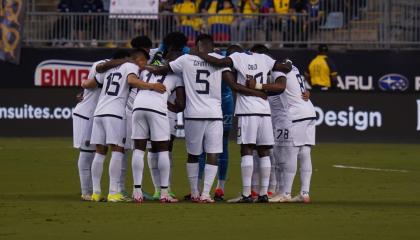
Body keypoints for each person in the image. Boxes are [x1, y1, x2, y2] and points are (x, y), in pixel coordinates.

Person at [146, 34, 266, 203]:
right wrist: (258, 92)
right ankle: (206, 194)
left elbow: (162, 70)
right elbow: (232, 84)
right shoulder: (220, 60)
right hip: (214, 114)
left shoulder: (186, 59)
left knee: (193, 155)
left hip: (193, 115)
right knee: (213, 154)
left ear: (196, 45)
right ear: (212, 45)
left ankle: (194, 193)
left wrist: (145, 69)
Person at [191, 45, 292, 203]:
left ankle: (246, 194)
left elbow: (221, 64)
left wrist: (199, 54)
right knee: (263, 151)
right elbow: (284, 68)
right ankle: (263, 194)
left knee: (247, 150)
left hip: (247, 111)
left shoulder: (236, 58)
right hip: (265, 111)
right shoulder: (264, 58)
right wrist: (288, 63)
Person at [82, 49, 166, 202]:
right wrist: (152, 86)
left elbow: (89, 84)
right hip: (114, 113)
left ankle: (95, 192)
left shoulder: (108, 69)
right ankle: (113, 192)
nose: (144, 65)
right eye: (143, 61)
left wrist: (82, 93)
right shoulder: (131, 66)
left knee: (100, 152)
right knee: (117, 150)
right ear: (137, 59)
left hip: (99, 112)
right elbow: (132, 81)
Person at [130, 50, 186, 203]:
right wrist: (170, 104)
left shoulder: (144, 70)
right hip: (158, 109)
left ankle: (137, 192)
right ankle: (164, 193)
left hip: (138, 106)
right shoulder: (176, 76)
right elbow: (181, 104)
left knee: (139, 150)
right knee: (163, 150)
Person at [269, 59, 316, 203]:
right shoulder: (294, 68)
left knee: (292, 152)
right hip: (309, 111)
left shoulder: (277, 69)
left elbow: (279, 87)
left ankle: (286, 193)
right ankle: (304, 192)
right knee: (305, 152)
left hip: (297, 114)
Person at [72, 59, 107, 201]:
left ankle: (92, 191)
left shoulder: (103, 75)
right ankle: (86, 192)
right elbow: (88, 83)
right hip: (86, 116)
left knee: (92, 154)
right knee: (87, 154)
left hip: (92, 115)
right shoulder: (100, 74)